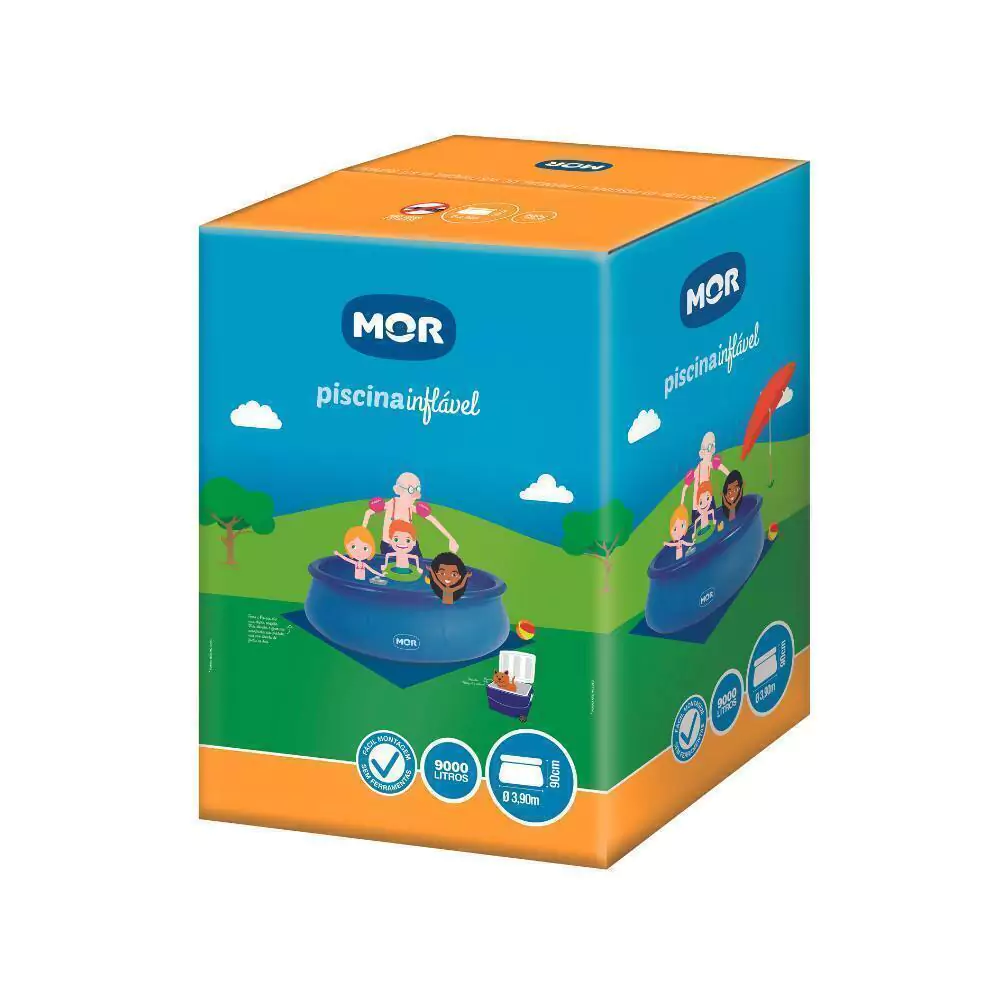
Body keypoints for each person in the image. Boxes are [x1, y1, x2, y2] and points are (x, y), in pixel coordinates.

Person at [363, 471, 459, 557]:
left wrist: (451, 539)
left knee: (420, 566)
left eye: (418, 489)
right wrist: (362, 536)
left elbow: (432, 519)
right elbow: (368, 512)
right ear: (397, 490)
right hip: (390, 546)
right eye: (411, 490)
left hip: (410, 546)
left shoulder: (411, 508)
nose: (416, 495)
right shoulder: (391, 504)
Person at [680, 431, 730, 509]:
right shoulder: (701, 467)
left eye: (713, 446)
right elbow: (685, 487)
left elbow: (720, 467)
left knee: (712, 513)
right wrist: (682, 503)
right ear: (702, 452)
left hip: (707, 496)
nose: (712, 451)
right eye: (709, 447)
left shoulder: (707, 464)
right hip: (700, 501)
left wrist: (732, 476)